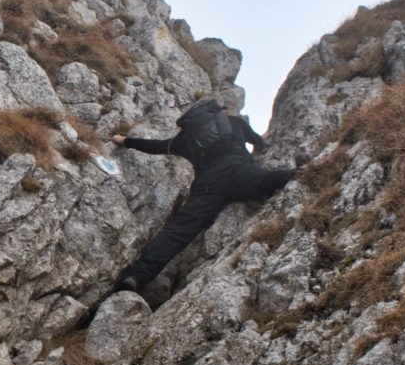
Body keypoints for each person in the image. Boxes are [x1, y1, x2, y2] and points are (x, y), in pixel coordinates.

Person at [108, 97, 295, 296]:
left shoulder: (185, 138)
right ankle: (304, 173)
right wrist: (260, 140)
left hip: (208, 187)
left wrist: (125, 141)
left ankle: (136, 276)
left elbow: (154, 146)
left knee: (178, 232)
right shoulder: (235, 122)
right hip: (240, 171)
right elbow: (258, 142)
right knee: (269, 180)